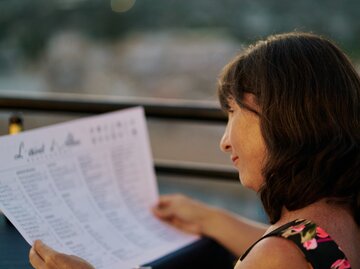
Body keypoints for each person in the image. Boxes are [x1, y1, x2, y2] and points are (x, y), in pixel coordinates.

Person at [29, 32, 360, 269]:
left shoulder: (275, 257)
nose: (225, 141)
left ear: (283, 120)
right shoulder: (340, 216)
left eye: (233, 113)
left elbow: (278, 253)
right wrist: (208, 218)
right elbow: (304, 245)